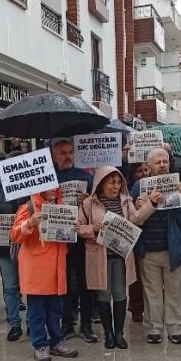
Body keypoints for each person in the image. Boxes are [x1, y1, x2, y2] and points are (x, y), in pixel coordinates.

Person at [77, 166, 151, 349]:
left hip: (120, 256)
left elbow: (137, 219)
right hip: (99, 256)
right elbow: (77, 227)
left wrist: (152, 204)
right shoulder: (88, 204)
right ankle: (108, 333)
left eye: (118, 182)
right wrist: (92, 229)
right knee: (103, 295)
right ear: (101, 184)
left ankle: (119, 333)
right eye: (111, 182)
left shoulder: (126, 201)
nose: (115, 186)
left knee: (119, 294)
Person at [131, 148, 181, 344]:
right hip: (148, 249)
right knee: (152, 292)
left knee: (176, 291)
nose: (162, 165)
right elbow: (136, 219)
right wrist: (150, 202)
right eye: (157, 162)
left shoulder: (180, 187)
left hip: (173, 249)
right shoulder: (138, 187)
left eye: (165, 161)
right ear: (148, 167)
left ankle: (176, 329)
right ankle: (154, 329)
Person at [11, 187, 78, 361]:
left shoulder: (61, 206)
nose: (52, 190)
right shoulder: (28, 207)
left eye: (54, 185)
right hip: (36, 269)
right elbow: (15, 235)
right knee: (37, 311)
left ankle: (56, 342)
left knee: (55, 310)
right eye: (47, 186)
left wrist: (74, 228)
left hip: (57, 268)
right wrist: (30, 224)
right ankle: (39, 345)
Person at [49, 137, 97, 342]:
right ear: (54, 156)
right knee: (64, 282)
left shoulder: (85, 177)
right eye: (63, 153)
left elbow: (98, 207)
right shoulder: (48, 179)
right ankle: (67, 323)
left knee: (86, 281)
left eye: (70, 152)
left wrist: (87, 201)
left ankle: (86, 323)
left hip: (81, 237)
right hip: (59, 239)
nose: (68, 156)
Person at [0, 154, 26, 341]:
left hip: (27, 245)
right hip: (4, 245)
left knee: (29, 287)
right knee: (10, 286)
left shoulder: (32, 188)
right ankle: (15, 323)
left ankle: (33, 324)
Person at [126, 161, 151, 323]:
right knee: (136, 277)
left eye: (146, 170)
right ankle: (136, 308)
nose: (144, 173)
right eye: (139, 171)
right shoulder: (130, 189)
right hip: (135, 237)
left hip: (152, 238)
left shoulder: (153, 184)